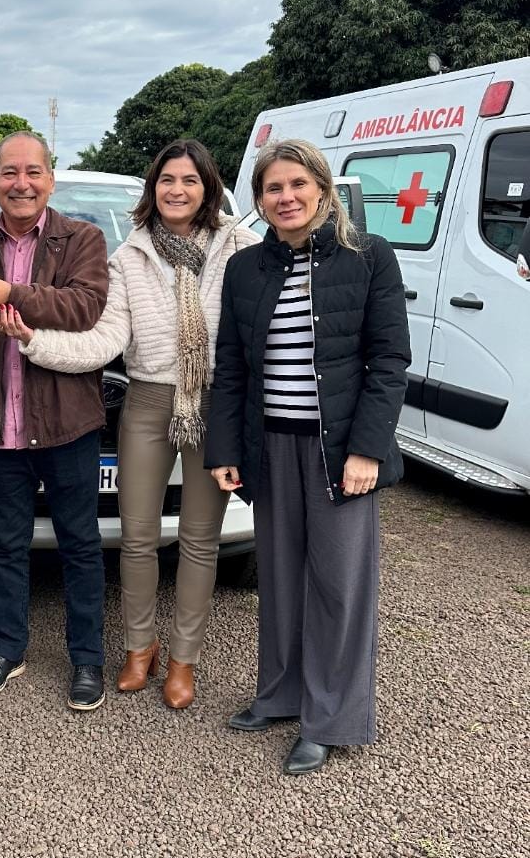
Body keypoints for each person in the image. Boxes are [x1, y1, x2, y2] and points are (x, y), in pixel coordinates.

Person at [0, 139, 258, 708]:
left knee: (200, 540)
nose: (177, 191)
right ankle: (141, 648)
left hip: (216, 404)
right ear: (152, 188)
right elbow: (104, 342)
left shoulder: (242, 248)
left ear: (208, 188)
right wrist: (33, 341)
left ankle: (183, 659)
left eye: (189, 180)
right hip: (148, 402)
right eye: (167, 180)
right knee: (138, 537)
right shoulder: (129, 258)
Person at [205, 139, 410, 775]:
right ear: (259, 199)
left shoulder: (369, 256)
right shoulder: (246, 269)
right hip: (270, 445)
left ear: (322, 188)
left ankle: (330, 718)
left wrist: (367, 449)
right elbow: (231, 367)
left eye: (298, 184)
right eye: (273, 188)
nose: (286, 197)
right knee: (280, 577)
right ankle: (280, 695)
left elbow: (389, 361)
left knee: (338, 585)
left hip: (339, 449)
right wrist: (224, 448)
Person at [0, 131, 111, 711]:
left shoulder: (82, 239)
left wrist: (15, 293)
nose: (22, 183)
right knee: (6, 545)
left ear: (51, 181)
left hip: (67, 426)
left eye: (33, 171)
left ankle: (87, 659)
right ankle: (7, 649)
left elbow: (85, 308)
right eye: (9, 172)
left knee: (80, 545)